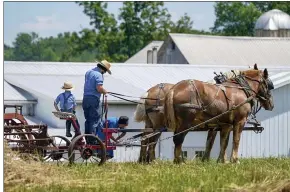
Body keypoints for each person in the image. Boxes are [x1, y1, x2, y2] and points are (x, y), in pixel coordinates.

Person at [82, 60, 111, 144]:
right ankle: (93, 140)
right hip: (93, 99)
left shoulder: (88, 72)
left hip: (85, 98)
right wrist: (105, 91)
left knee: (88, 120)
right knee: (94, 120)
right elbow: (99, 88)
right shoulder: (99, 75)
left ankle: (88, 138)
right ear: (104, 69)